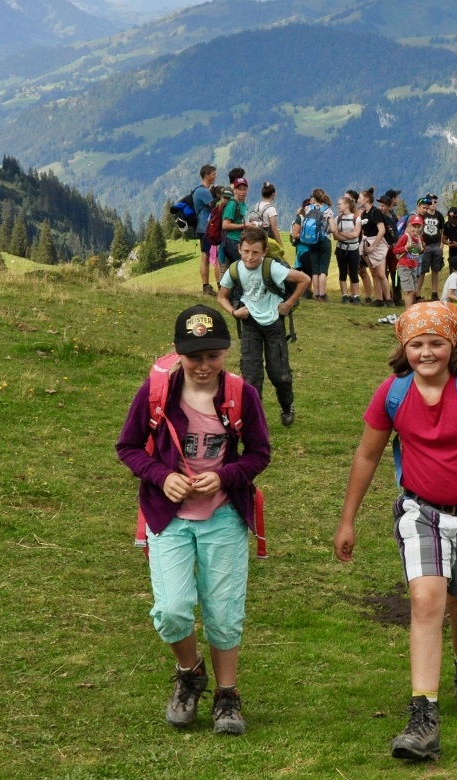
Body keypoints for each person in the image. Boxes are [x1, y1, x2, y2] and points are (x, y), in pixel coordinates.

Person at [333, 302, 457, 762]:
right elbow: (367, 456)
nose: (427, 353)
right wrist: (347, 519)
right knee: (427, 600)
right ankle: (422, 716)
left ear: (454, 345)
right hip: (419, 510)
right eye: (417, 344)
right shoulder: (392, 392)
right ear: (403, 348)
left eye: (437, 343)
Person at [116, 304, 271, 736]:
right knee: (171, 610)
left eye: (213, 356)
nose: (204, 366)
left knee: (223, 613)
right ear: (177, 353)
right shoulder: (156, 392)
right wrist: (161, 477)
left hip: (223, 516)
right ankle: (190, 672)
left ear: (226, 353)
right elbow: (128, 447)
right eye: (194, 356)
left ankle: (227, 695)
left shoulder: (243, 395)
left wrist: (223, 476)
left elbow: (260, 455)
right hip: (167, 518)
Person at [217, 227, 310, 426]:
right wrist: (234, 312)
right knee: (251, 376)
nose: (250, 257)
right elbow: (221, 296)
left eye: (256, 252)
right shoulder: (234, 269)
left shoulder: (272, 268)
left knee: (279, 373)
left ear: (264, 252)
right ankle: (255, 420)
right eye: (246, 251)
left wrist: (288, 304)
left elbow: (305, 279)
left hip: (274, 324)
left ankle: (287, 407)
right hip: (250, 324)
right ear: (240, 249)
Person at [359, 188, 393, 307]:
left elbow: (382, 230)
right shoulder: (364, 213)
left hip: (377, 244)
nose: (358, 200)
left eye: (360, 198)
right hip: (367, 242)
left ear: (366, 199)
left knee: (381, 274)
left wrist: (373, 246)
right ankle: (379, 299)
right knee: (374, 273)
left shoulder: (375, 212)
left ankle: (388, 299)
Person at [300, 189, 335, 302]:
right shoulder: (328, 210)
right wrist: (327, 230)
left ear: (313, 197)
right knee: (323, 269)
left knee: (315, 269)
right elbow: (333, 229)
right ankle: (322, 294)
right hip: (324, 240)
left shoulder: (308, 208)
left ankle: (315, 294)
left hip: (311, 241)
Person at [334, 194, 364, 304]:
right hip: (341, 248)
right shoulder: (338, 218)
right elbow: (335, 236)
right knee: (342, 272)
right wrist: (348, 234)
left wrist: (341, 233)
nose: (337, 206)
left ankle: (356, 295)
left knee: (353, 272)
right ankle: (345, 295)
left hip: (352, 249)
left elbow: (356, 234)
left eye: (339, 204)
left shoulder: (356, 219)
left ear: (346, 205)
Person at [391, 215, 426, 309]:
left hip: (413, 267)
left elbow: (421, 250)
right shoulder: (405, 237)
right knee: (409, 291)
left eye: (418, 227)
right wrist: (406, 247)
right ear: (410, 226)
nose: (416, 229)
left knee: (413, 291)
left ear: (421, 227)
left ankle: (410, 310)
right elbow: (395, 250)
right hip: (404, 266)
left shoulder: (420, 238)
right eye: (414, 226)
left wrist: (421, 249)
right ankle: (408, 312)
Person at [194, 165, 218, 295]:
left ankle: (206, 286)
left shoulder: (199, 190)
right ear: (207, 175)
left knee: (206, 255)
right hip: (205, 228)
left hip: (202, 227)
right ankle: (206, 286)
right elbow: (213, 208)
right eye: (213, 174)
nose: (215, 176)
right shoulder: (204, 192)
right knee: (206, 256)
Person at [418, 198, 445, 301]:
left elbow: (443, 230)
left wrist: (441, 246)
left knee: (435, 270)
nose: (433, 204)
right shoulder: (422, 215)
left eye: (435, 202)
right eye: (431, 202)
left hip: (436, 245)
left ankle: (434, 292)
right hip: (426, 246)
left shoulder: (439, 215)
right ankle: (417, 293)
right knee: (422, 270)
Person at [219, 178, 250, 266]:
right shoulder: (232, 204)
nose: (243, 192)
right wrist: (244, 226)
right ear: (234, 190)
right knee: (244, 265)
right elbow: (225, 225)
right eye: (240, 189)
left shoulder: (243, 204)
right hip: (232, 240)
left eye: (244, 189)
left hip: (240, 240)